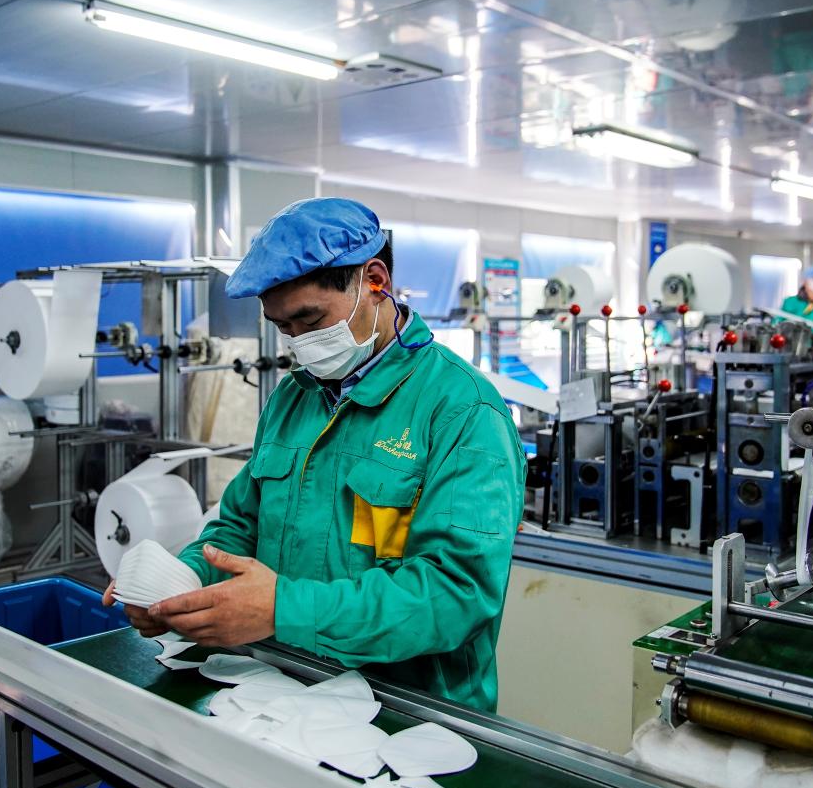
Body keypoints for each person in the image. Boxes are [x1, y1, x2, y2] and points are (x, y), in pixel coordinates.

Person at [103, 198, 525, 711]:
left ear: (374, 280)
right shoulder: (294, 397)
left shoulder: (462, 411)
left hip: (411, 712)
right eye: (284, 328)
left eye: (310, 319)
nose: (300, 343)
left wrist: (283, 610)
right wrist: (183, 587)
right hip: (285, 689)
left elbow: (455, 594)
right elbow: (239, 526)